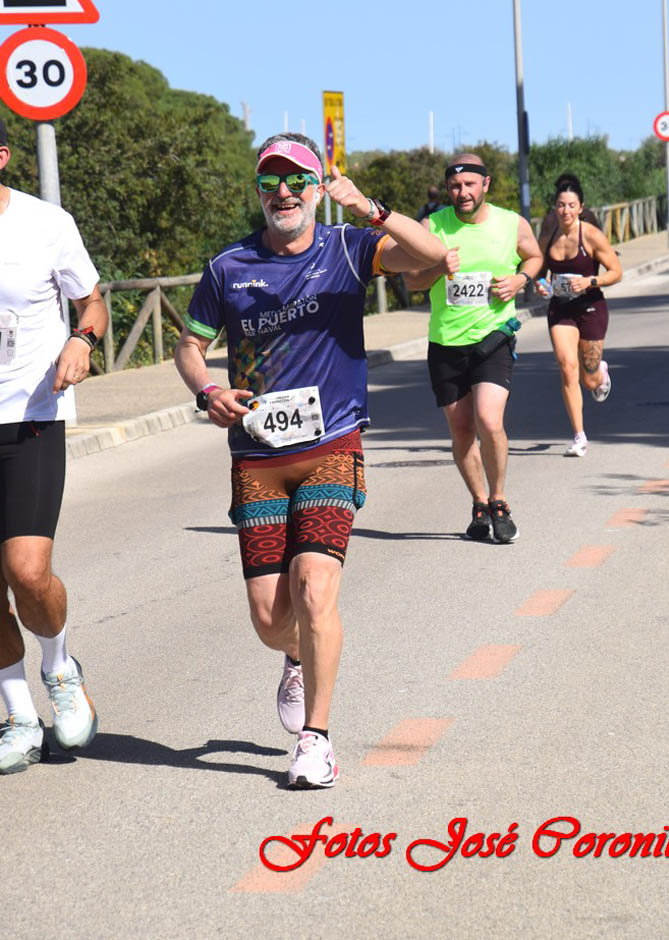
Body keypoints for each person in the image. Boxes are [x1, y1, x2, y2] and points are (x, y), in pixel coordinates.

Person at [174, 132, 445, 789]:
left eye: (297, 180)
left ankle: (316, 741)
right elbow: (189, 345)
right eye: (271, 182)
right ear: (259, 192)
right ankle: (293, 656)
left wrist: (371, 209)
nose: (284, 193)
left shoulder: (347, 248)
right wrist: (207, 391)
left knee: (314, 588)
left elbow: (433, 255)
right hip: (258, 457)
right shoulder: (229, 267)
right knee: (271, 619)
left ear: (318, 189)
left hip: (332, 445)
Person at [0, 116, 107, 775]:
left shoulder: (45, 224)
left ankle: (60, 667)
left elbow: (93, 303)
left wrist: (82, 341)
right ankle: (18, 715)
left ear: (2, 155)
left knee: (27, 571)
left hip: (30, 414)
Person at [404, 153, 543, 543]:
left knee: (489, 420)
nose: (462, 192)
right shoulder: (432, 226)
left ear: (486, 184)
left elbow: (535, 256)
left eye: (469, 184)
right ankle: (479, 504)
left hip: (493, 336)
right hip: (446, 342)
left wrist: (520, 280)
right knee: (462, 430)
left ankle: (499, 502)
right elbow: (411, 281)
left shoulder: (511, 223)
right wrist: (438, 269)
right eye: (454, 186)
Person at [535, 173, 622, 458]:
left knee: (589, 381)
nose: (566, 211)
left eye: (572, 205)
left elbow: (616, 272)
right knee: (567, 367)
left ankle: (600, 373)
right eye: (561, 205)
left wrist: (590, 281)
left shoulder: (591, 235)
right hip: (560, 309)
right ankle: (579, 436)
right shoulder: (549, 235)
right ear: (555, 207)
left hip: (591, 308)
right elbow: (539, 271)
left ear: (581, 207)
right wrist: (540, 284)